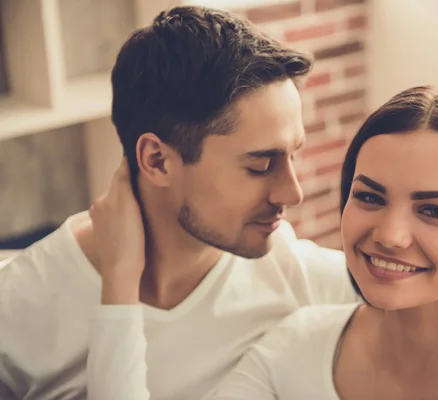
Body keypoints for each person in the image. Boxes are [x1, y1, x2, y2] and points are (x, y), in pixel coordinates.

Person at [87, 86, 438, 399]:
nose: (391, 236)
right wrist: (120, 279)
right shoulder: (294, 348)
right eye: (370, 197)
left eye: (435, 210)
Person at [0, 6, 357, 399]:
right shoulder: (20, 305)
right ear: (157, 160)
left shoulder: (297, 276)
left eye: (293, 155)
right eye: (259, 165)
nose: (292, 193)